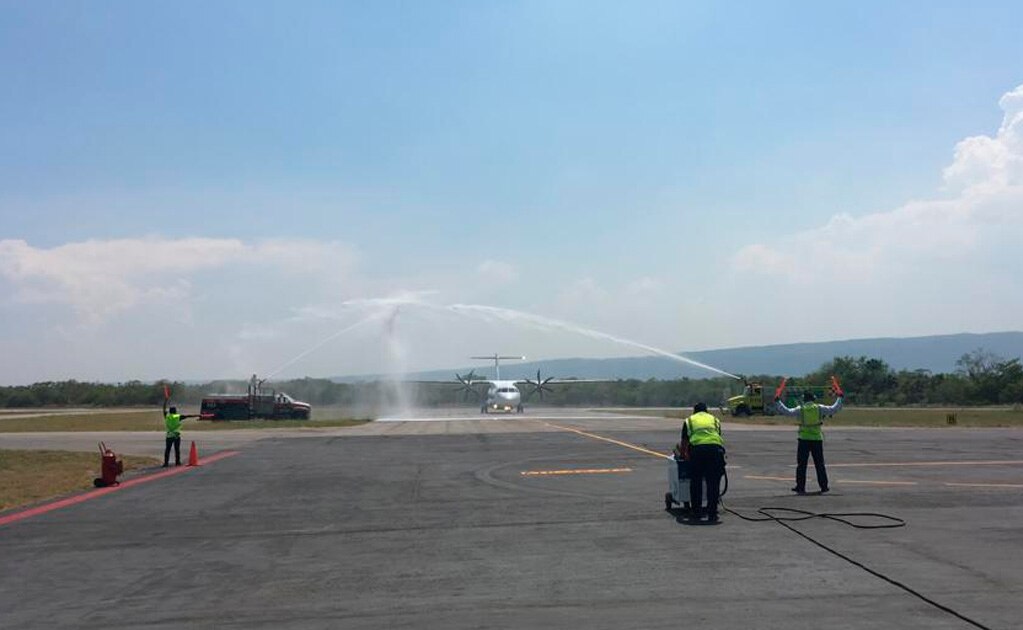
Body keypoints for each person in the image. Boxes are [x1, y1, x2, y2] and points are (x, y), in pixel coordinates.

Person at [775, 390, 844, 494]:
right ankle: (824, 486)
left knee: (801, 465)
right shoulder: (819, 408)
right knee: (819, 464)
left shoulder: (801, 409)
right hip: (817, 439)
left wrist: (778, 401)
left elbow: (787, 412)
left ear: (804, 399)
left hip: (804, 439)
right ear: (813, 399)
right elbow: (834, 409)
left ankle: (800, 487)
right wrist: (840, 398)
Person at [681, 402, 726, 522]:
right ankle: (712, 513)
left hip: (698, 451)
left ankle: (696, 512)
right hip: (715, 451)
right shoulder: (714, 419)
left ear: (694, 411)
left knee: (696, 483)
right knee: (713, 483)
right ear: (707, 411)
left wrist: (683, 455)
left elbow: (684, 442)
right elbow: (718, 436)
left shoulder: (690, 420)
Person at [162, 400, 197, 467]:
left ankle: (166, 463)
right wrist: (197, 415)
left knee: (167, 450)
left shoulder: (167, 416)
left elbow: (163, 409)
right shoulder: (178, 416)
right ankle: (177, 462)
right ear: (175, 411)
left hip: (169, 435)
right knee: (177, 449)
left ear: (169, 411)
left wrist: (165, 401)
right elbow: (188, 416)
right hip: (176, 435)